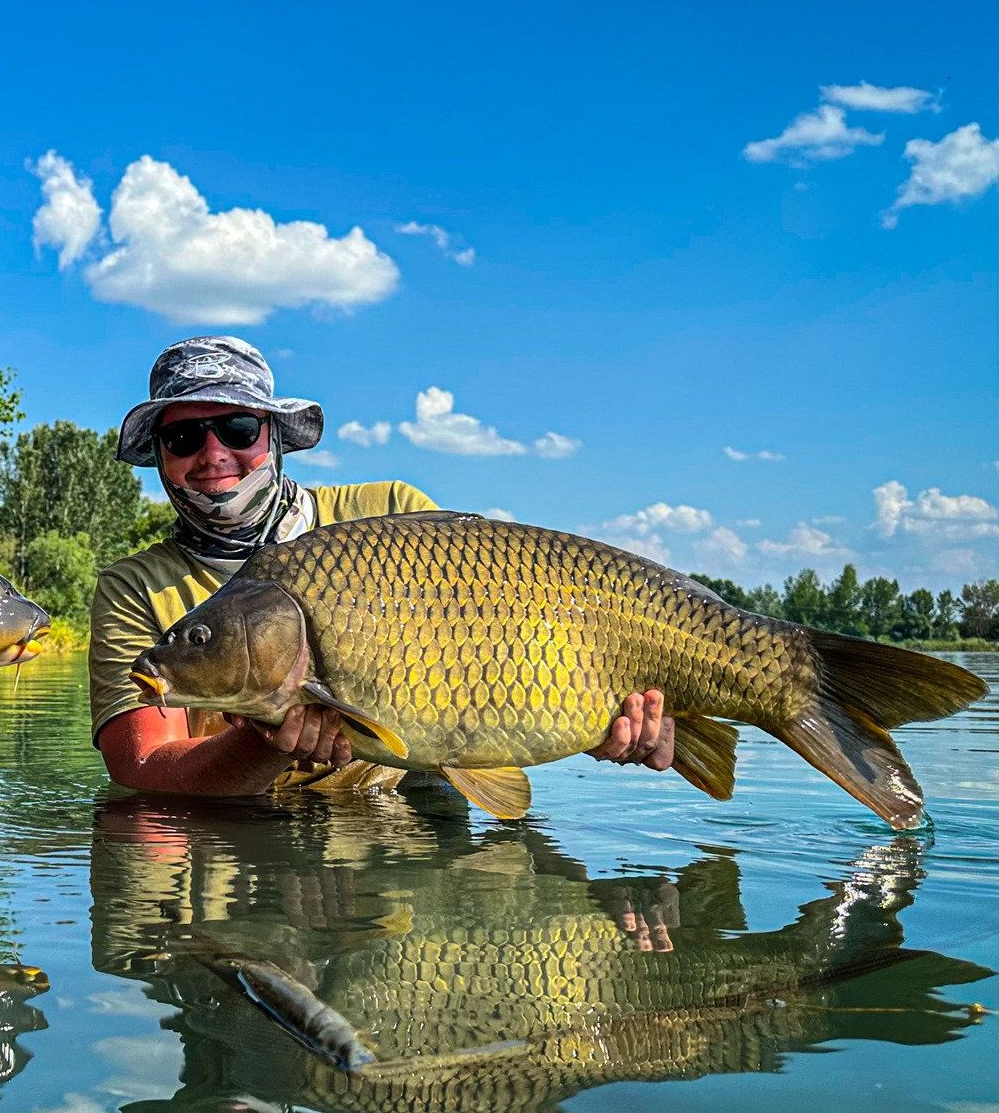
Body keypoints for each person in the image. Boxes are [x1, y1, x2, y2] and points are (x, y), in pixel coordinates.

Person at [88, 335, 675, 797]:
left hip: (413, 833)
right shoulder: (133, 588)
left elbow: (503, 667)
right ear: (160, 457)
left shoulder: (394, 516)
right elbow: (144, 768)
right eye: (185, 436)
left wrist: (588, 721)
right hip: (237, 867)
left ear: (276, 436)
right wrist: (268, 746)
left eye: (238, 428)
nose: (213, 454)